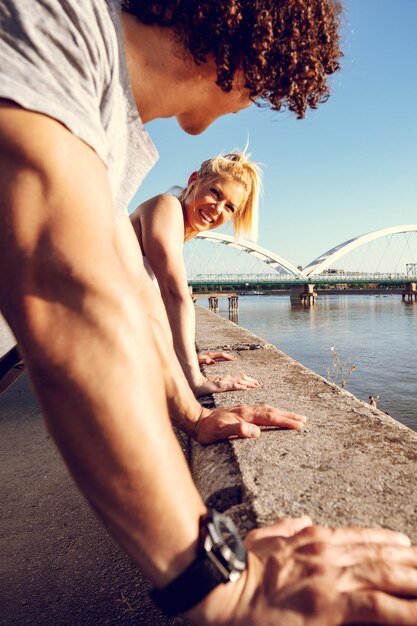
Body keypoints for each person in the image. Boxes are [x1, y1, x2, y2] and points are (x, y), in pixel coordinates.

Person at [1, 1, 417, 624]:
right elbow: (70, 298)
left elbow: (132, 303)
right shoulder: (60, 23)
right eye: (266, 87)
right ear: (245, 56)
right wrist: (218, 584)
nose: (255, 103)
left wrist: (194, 412)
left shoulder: (104, 147)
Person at [130, 150, 265, 397]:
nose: (217, 209)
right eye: (215, 193)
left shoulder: (178, 230)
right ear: (194, 180)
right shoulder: (166, 206)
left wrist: (185, 356)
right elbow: (174, 294)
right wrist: (194, 379)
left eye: (229, 207)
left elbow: (150, 303)